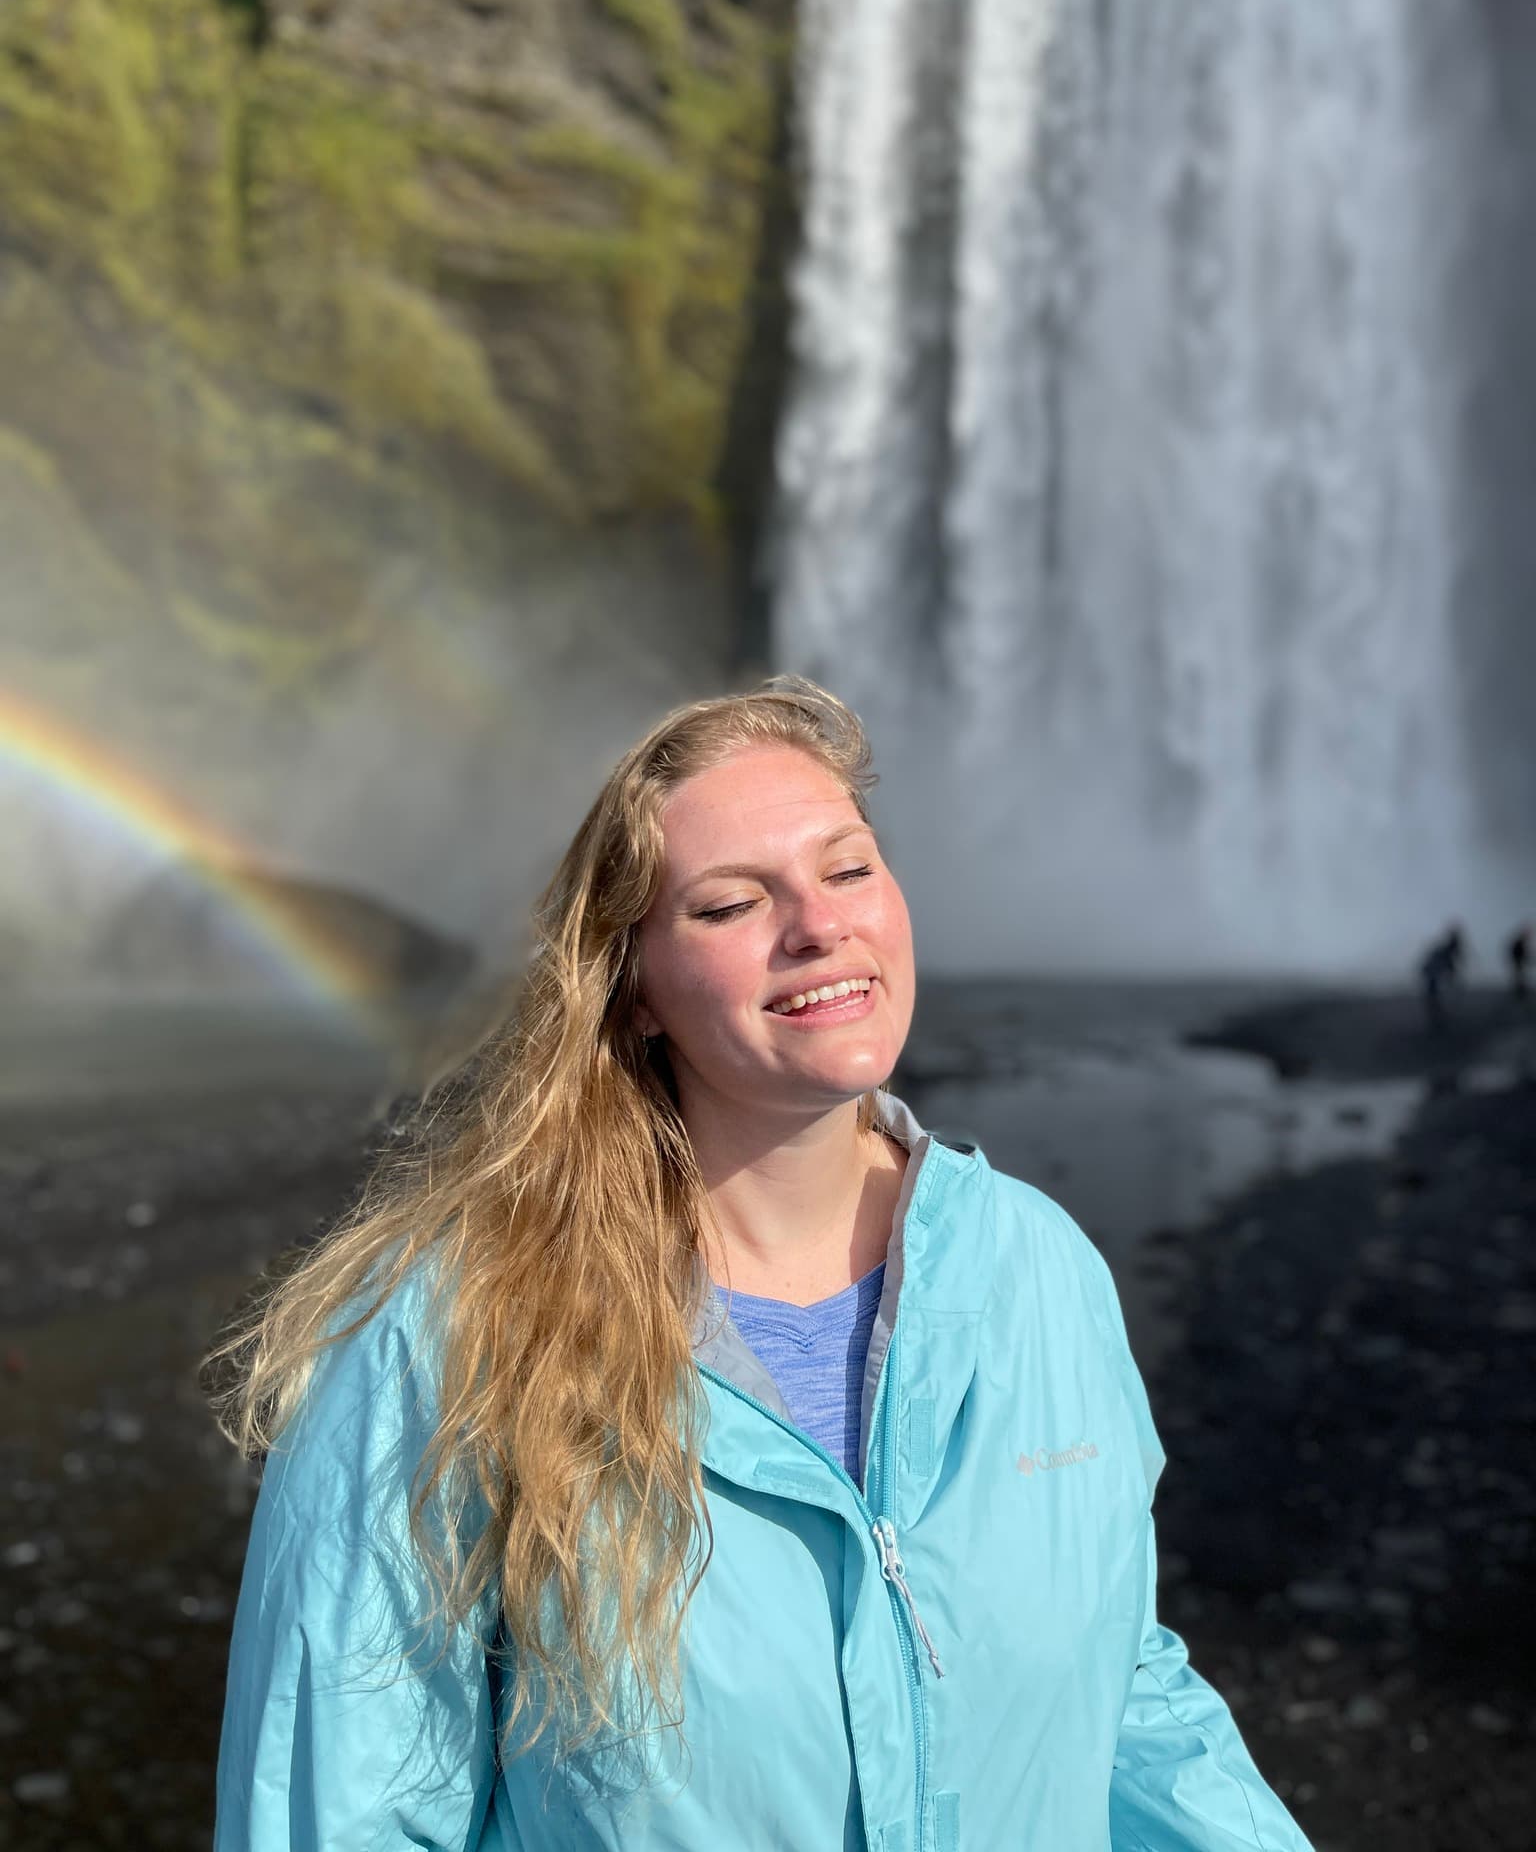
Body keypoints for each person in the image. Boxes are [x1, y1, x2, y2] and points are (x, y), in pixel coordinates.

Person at [212, 677, 1314, 1851]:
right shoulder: (445, 1329)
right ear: (633, 990)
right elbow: (338, 1814)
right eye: (733, 903)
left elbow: (1124, 1690)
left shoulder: (1039, 1266)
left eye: (848, 868)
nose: (819, 924)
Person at [1417, 920, 1466, 1030]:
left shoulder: (1447, 948)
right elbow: (1448, 964)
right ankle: (1436, 1021)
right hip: (1431, 973)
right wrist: (1451, 976)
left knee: (1434, 997)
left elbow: (1451, 965)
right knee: (1433, 997)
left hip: (1432, 973)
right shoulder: (1446, 949)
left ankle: (1438, 1019)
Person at [1506, 922, 1531, 1003]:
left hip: (1518, 961)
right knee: (1519, 976)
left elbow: (1522, 953)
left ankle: (1519, 991)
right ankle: (1519, 992)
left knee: (1519, 976)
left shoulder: (1520, 942)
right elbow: (1520, 953)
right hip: (1518, 961)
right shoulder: (1519, 942)